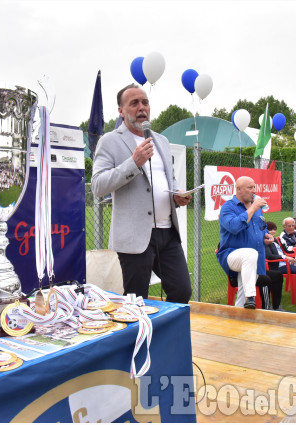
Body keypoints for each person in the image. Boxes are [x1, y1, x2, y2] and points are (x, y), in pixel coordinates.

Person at [91, 84, 192, 303]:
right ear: (121, 110)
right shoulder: (110, 141)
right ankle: (140, 336)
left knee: (182, 290)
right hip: (134, 236)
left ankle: (165, 336)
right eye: (134, 103)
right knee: (136, 300)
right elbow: (98, 186)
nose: (141, 107)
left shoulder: (162, 141)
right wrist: (133, 163)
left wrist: (177, 195)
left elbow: (169, 179)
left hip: (168, 232)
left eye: (145, 102)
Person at [217, 176, 283, 310]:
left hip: (253, 260)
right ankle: (251, 297)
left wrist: (266, 236)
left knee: (242, 292)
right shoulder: (228, 207)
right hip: (231, 255)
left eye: (254, 187)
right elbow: (234, 227)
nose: (254, 190)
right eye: (250, 187)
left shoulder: (256, 208)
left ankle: (238, 317)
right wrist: (252, 208)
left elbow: (261, 226)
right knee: (250, 254)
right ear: (239, 189)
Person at [265, 221, 296, 295]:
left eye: (274, 229)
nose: (273, 231)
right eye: (270, 229)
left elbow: (282, 252)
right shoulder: (266, 242)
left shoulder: (274, 240)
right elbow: (270, 256)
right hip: (278, 265)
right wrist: (286, 258)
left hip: (285, 261)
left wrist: (288, 258)